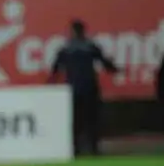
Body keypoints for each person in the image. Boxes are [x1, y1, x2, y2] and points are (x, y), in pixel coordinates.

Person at [49, 19, 119, 156]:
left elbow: (56, 70)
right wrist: (115, 68)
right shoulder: (90, 47)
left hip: (73, 90)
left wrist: (50, 84)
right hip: (90, 88)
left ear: (72, 32)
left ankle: (75, 148)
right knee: (92, 120)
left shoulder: (66, 49)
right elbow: (106, 64)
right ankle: (93, 147)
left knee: (75, 121)